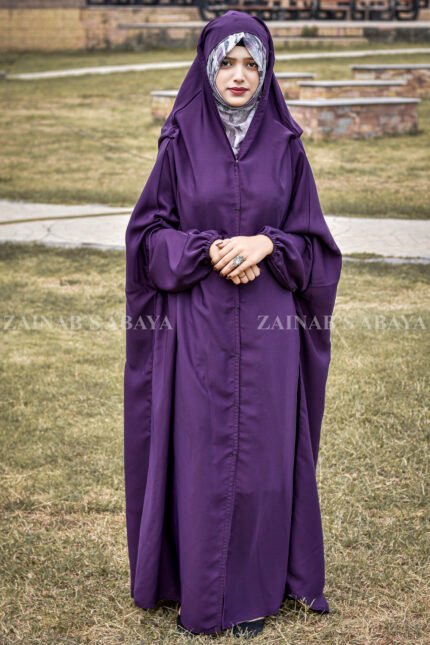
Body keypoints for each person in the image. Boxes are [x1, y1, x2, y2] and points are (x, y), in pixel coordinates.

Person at [124, 9, 342, 640]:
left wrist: (267, 244)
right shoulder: (181, 140)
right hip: (198, 329)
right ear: (208, 67)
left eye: (251, 63)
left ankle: (252, 592)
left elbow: (316, 247)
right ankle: (193, 582)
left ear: (266, 70)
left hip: (270, 332)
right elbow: (147, 238)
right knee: (201, 456)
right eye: (227, 62)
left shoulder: (285, 146)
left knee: (262, 458)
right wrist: (208, 249)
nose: (239, 75)